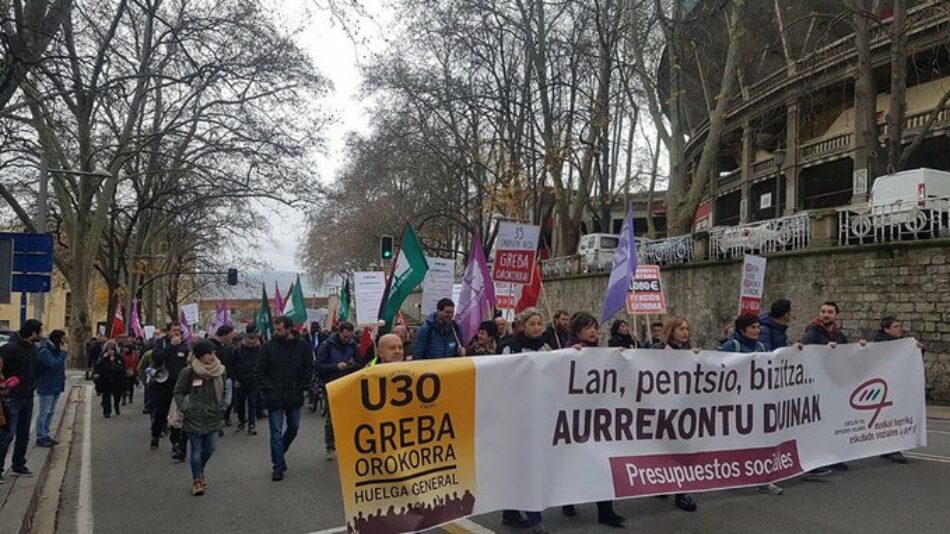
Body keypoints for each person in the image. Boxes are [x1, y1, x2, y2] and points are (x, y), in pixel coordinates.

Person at [560, 312, 626, 528]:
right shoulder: (568, 351)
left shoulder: (602, 353)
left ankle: (605, 510)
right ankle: (567, 499)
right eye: (588, 327)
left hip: (599, 419)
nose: (593, 331)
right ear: (577, 331)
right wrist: (569, 355)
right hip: (575, 418)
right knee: (574, 463)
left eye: (595, 327)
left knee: (602, 463)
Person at [719, 314, 783, 496]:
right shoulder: (732, 346)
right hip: (735, 403)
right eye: (753, 327)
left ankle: (763, 479)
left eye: (758, 327)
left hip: (756, 402)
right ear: (742, 330)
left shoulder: (761, 346)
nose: (757, 330)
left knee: (760, 440)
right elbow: (717, 369)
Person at [498, 308, 550, 532]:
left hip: (540, 411)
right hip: (517, 413)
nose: (537, 328)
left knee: (528, 465)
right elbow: (503, 375)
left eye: (540, 324)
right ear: (523, 325)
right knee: (525, 464)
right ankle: (535, 519)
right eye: (532, 324)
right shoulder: (510, 346)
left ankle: (510, 512)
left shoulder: (548, 347)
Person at [649, 316, 700, 512]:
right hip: (661, 409)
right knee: (662, 449)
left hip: (682, 410)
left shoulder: (690, 353)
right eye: (681, 329)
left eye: (687, 329)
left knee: (682, 450)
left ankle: (681, 492)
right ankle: (662, 483)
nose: (685, 333)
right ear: (671, 331)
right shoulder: (657, 351)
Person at [256, 316, 313, 481]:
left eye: (280, 329)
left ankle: (280, 453)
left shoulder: (302, 346)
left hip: (293, 394)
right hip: (274, 396)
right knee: (275, 432)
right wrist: (268, 388)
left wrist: (302, 385)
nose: (277, 332)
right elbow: (259, 370)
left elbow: (308, 367)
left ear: (289, 329)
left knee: (293, 428)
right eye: (276, 329)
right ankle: (278, 466)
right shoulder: (268, 347)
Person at [173, 340, 227, 496]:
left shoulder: (220, 370)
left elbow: (222, 391)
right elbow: (178, 392)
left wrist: (222, 406)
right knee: (196, 450)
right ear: (200, 356)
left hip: (213, 415)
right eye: (208, 354)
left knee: (211, 447)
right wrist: (186, 407)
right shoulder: (189, 372)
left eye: (213, 353)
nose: (212, 356)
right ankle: (197, 480)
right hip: (194, 416)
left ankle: (200, 470)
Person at [872, 316, 919, 464]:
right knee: (888, 416)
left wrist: (917, 350)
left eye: (900, 326)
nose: (900, 329)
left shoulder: (901, 343)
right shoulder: (882, 343)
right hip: (885, 387)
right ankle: (892, 449)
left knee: (893, 417)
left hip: (896, 385)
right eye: (896, 326)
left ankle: (889, 449)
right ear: (886, 329)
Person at [0, 319, 43, 478]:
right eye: (40, 331)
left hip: (27, 395)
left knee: (23, 433)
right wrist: (5, 385)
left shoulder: (33, 349)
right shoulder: (9, 349)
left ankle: (19, 464)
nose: (41, 334)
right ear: (33, 333)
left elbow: (36, 369)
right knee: (7, 434)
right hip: (11, 397)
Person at [315, 321, 359, 460]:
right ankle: (330, 445)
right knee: (332, 417)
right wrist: (335, 366)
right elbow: (319, 366)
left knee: (351, 416)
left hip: (349, 384)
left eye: (349, 337)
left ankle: (348, 444)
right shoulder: (327, 345)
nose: (347, 340)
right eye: (344, 337)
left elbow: (360, 363)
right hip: (332, 384)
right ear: (339, 333)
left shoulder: (353, 345)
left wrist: (353, 364)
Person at [150, 322, 191, 459]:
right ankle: (155, 435)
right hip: (163, 383)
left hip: (179, 385)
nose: (177, 333)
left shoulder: (184, 345)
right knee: (161, 412)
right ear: (168, 332)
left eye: (179, 330)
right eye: (174, 330)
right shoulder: (161, 343)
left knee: (178, 414)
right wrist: (171, 346)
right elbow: (157, 357)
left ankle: (175, 442)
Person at [35, 330, 68, 447]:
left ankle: (46, 433)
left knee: (51, 412)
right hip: (46, 385)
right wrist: (63, 354)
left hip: (56, 385)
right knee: (44, 412)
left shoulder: (56, 350)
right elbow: (53, 365)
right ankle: (40, 436)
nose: (65, 341)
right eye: (63, 338)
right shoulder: (45, 351)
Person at [232, 326, 262, 435]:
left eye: (253, 338)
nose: (251, 342)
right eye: (249, 338)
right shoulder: (238, 349)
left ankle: (252, 424)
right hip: (241, 379)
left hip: (254, 380)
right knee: (240, 402)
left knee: (252, 402)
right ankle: (241, 421)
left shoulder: (261, 349)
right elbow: (233, 365)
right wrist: (235, 378)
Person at [211, 325, 237, 428]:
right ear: (225, 335)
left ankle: (223, 417)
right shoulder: (211, 346)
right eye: (230, 336)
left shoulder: (227, 347)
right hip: (215, 378)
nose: (231, 338)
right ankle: (217, 422)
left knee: (227, 401)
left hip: (227, 377)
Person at [95, 341, 126, 418]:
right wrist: (103, 358)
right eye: (108, 350)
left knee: (117, 396)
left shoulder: (119, 358)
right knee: (106, 397)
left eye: (112, 350)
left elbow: (122, 368)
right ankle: (107, 411)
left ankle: (116, 406)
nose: (110, 351)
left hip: (117, 380)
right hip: (106, 380)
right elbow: (97, 366)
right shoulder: (103, 358)